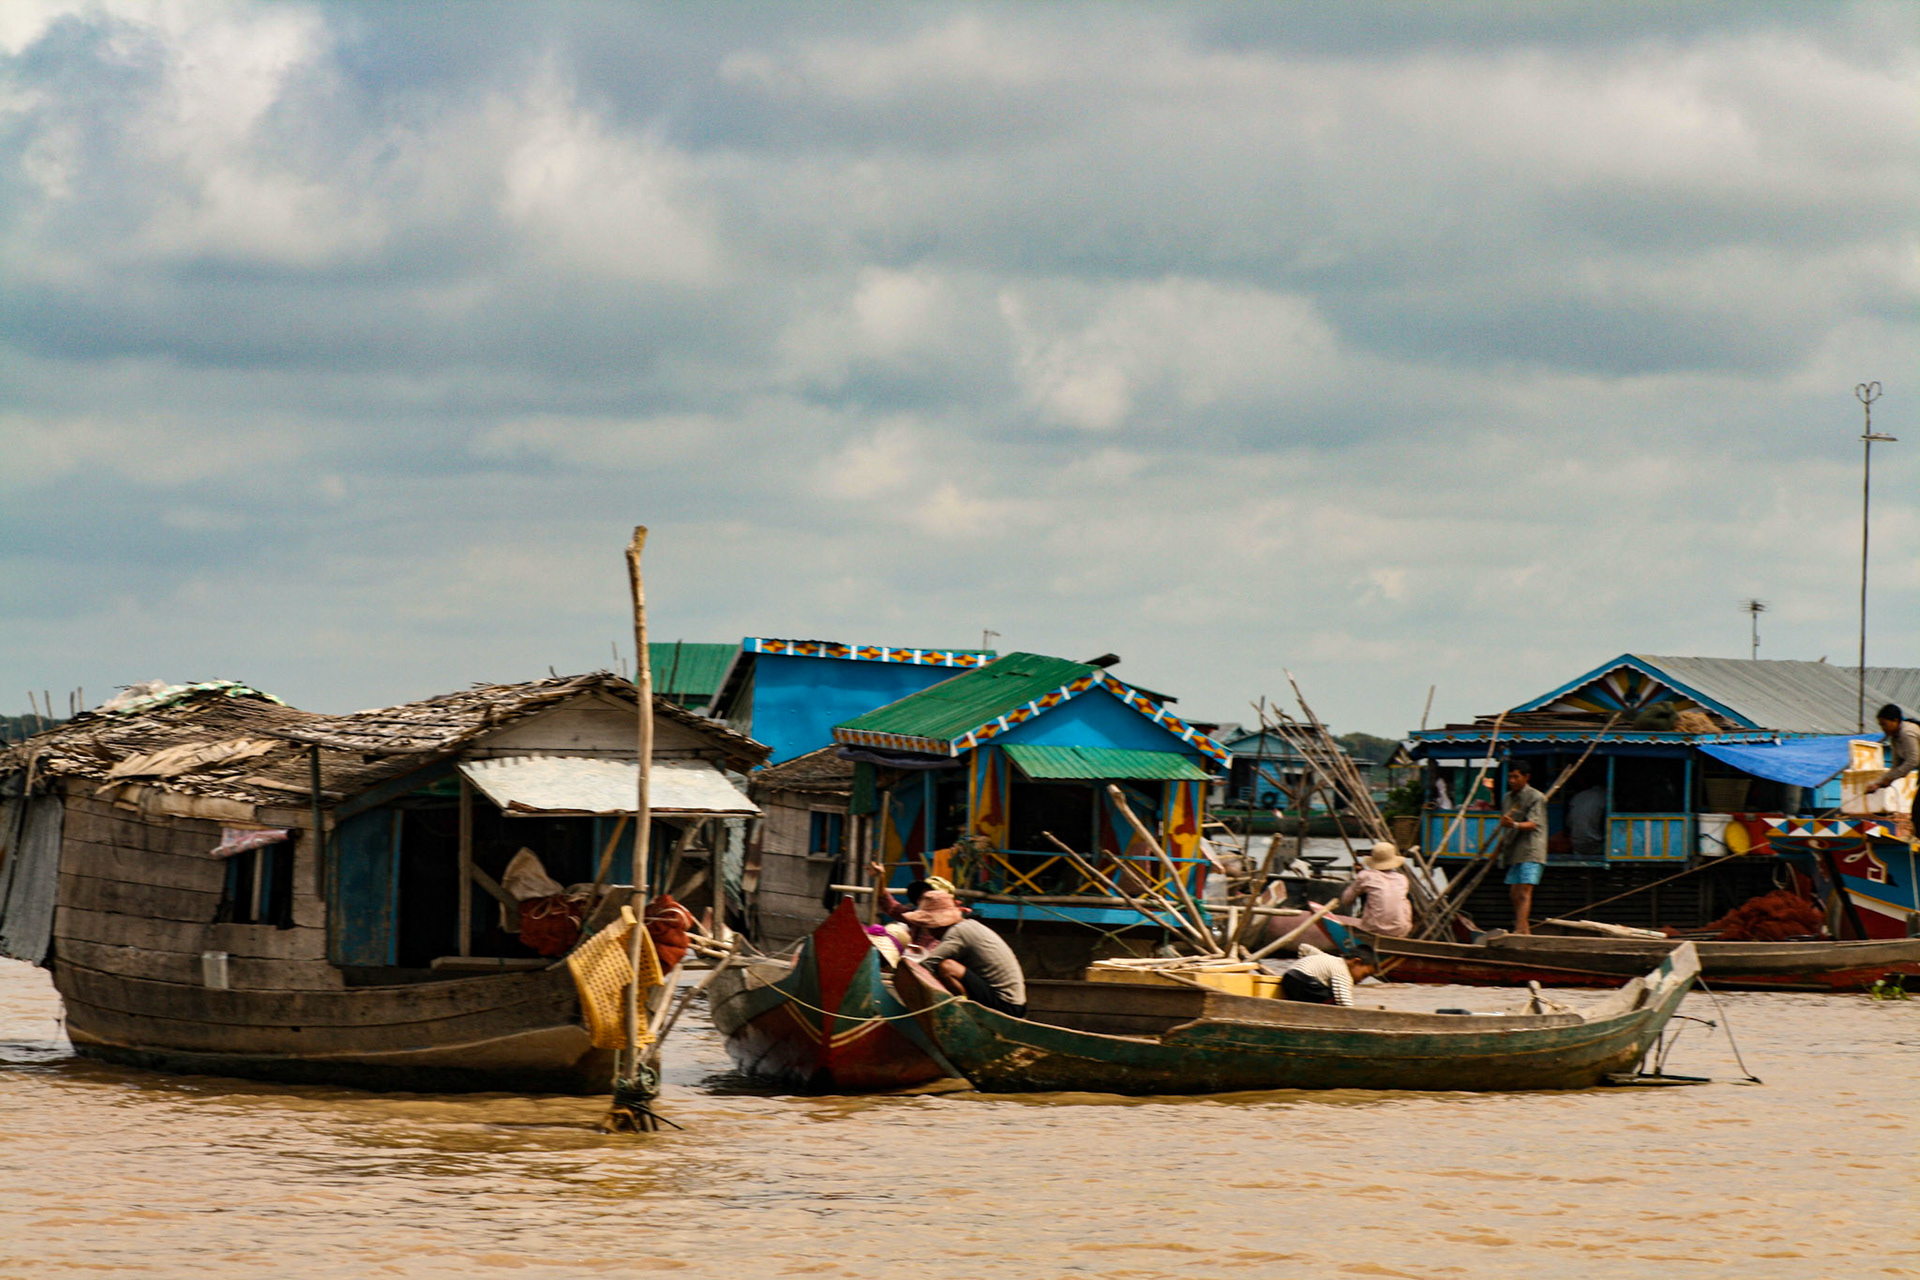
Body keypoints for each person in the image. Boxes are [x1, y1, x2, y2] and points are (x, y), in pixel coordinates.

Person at [905, 890, 1027, 1017]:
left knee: (947, 967)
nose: (929, 932)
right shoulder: (968, 926)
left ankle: (963, 1012)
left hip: (1006, 1005)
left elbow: (927, 966)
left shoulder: (958, 932)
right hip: (1015, 1003)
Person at [1324, 841, 1413, 938]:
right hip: (1401, 930)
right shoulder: (1402, 879)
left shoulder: (1365, 876)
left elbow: (1346, 900)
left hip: (1374, 929)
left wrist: (1358, 878)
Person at [1499, 761, 1548, 935]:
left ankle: (1519, 930)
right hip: (1514, 850)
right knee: (1514, 891)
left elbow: (1533, 824)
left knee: (1524, 891)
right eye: (1510, 776)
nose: (1511, 780)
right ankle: (1524, 929)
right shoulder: (1507, 798)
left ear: (1526, 778)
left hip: (1531, 850)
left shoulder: (1536, 797)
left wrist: (1514, 824)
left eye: (1516, 776)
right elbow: (1506, 824)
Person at [1278, 943, 1353, 1006]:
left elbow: (1303, 947)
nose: (1361, 980)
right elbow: (1344, 1001)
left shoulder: (1326, 957)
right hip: (1304, 983)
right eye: (1363, 975)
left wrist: (1304, 963)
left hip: (1288, 977)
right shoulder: (1343, 971)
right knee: (1333, 998)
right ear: (1356, 961)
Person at [1566, 778, 1607, 859]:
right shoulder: (1605, 797)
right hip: (1596, 844)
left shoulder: (1578, 796)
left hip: (1575, 844)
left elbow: (1568, 823)